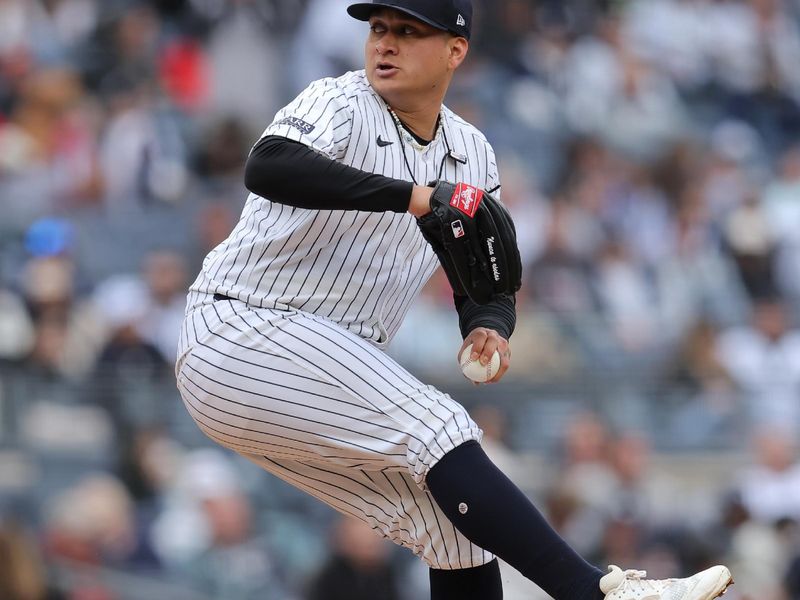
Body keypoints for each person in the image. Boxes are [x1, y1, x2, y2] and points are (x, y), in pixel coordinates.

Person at [174, 1, 734, 598]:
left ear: (455, 50)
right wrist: (413, 196)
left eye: (408, 32)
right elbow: (269, 166)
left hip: (315, 369)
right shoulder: (339, 102)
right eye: (379, 29)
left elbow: (480, 268)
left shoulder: (472, 153)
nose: (384, 44)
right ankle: (593, 591)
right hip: (241, 330)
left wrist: (489, 322)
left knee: (454, 532)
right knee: (440, 427)